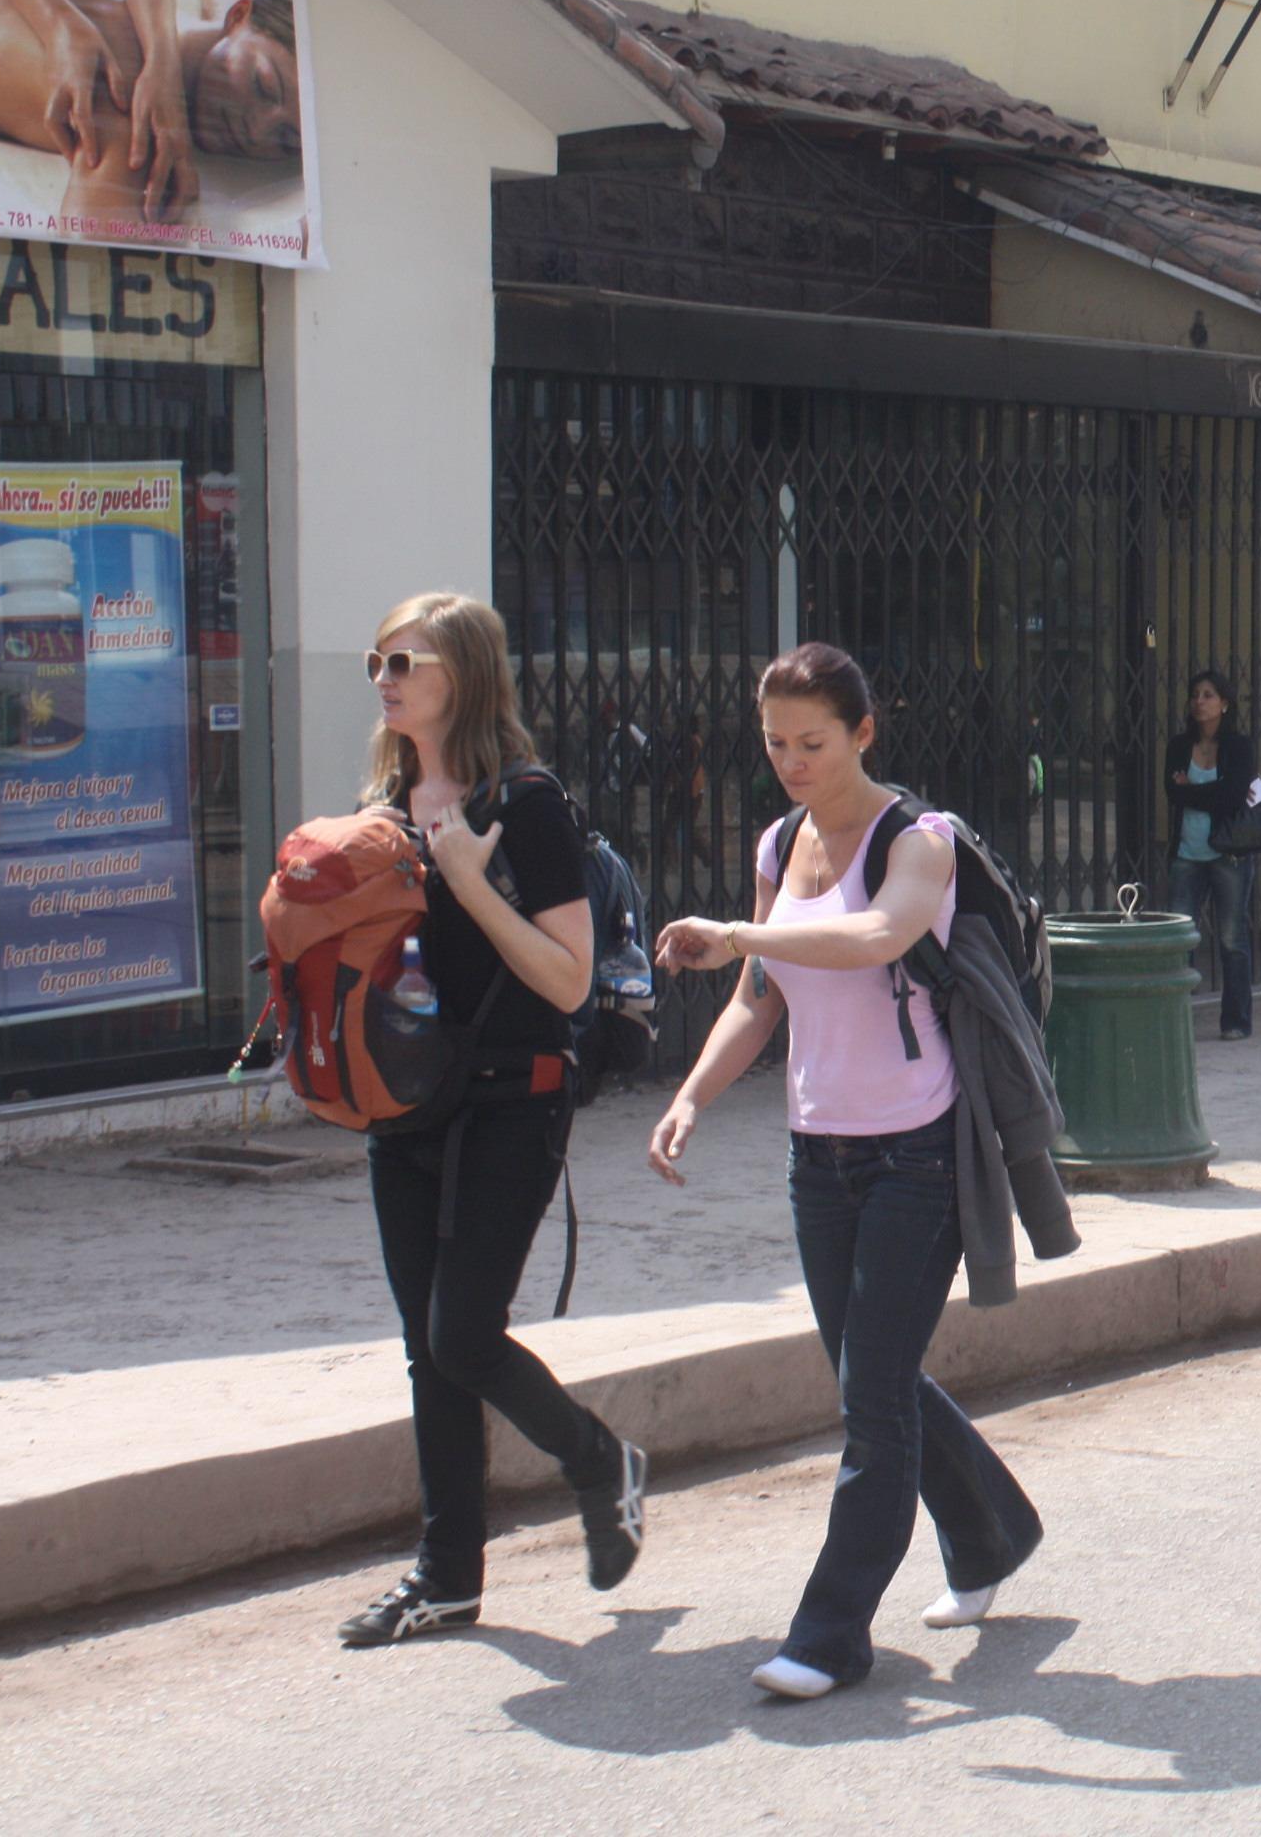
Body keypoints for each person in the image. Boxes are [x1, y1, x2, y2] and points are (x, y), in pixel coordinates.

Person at [644, 643, 1047, 1700]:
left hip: (917, 1152)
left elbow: (879, 936)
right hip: (815, 1153)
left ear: (863, 731)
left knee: (870, 1400)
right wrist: (691, 1096)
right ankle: (993, 1530)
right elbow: (760, 996)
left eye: (812, 742)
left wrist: (736, 932)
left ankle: (830, 1634)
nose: (790, 761)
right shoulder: (781, 843)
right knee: (879, 1378)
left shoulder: (919, 838)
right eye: (774, 742)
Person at [337, 594, 647, 1648]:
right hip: (406, 1101)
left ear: (460, 674)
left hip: (515, 1099)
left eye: (403, 660)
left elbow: (567, 980)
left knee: (463, 1331)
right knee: (429, 1350)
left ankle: (597, 1456)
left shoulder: (528, 805)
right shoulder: (386, 795)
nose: (383, 675)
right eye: (375, 659)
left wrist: (470, 878)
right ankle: (447, 1577)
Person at [0, 0, 304, 220]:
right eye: (262, 84)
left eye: (286, 139)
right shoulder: (128, 105)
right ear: (237, 15)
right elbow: (89, 252)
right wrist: (58, 24)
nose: (256, 132)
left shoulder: (157, 14)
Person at [1163, 667, 1260, 1039]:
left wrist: (1194, 791)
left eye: (1208, 695)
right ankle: (1175, 1015)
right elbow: (1173, 794)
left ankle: (1236, 1020)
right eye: (1196, 695)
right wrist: (1208, 791)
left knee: (1232, 939)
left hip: (1228, 854)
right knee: (1181, 937)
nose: (1199, 702)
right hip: (1187, 854)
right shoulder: (1178, 747)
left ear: (1224, 703)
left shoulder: (1238, 746)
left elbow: (1234, 795)